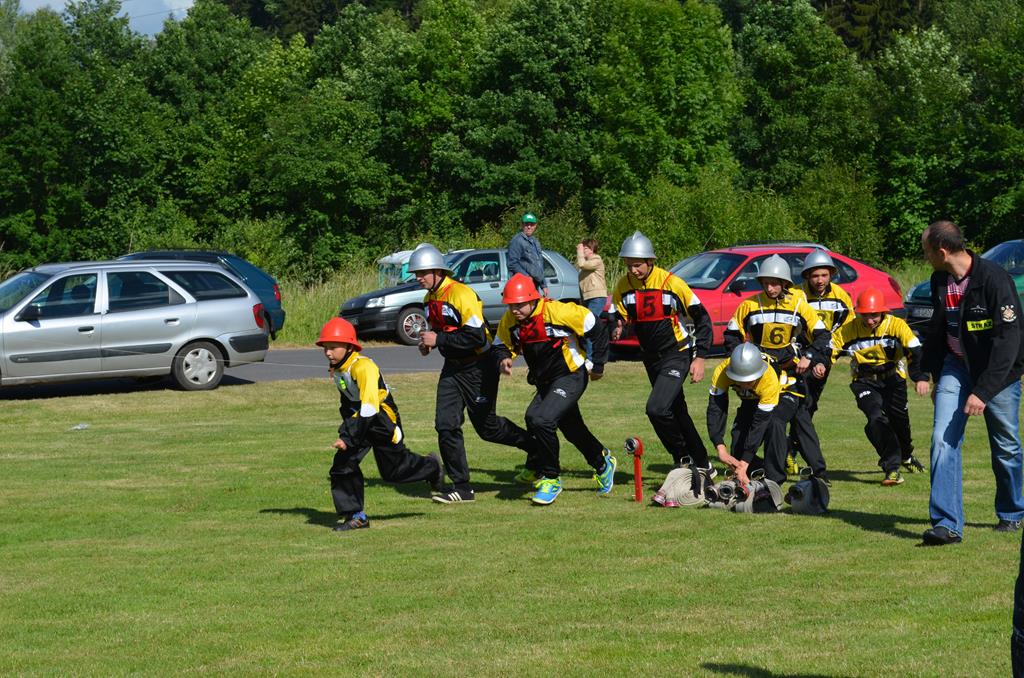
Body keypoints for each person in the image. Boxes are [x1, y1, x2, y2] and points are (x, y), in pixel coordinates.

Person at [919, 220, 1024, 546]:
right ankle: (947, 525)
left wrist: (983, 391)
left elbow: (1009, 342)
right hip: (956, 366)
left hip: (998, 374)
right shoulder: (940, 280)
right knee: (942, 440)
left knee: (1005, 445)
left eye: (926, 252)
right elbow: (937, 330)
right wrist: (929, 373)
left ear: (942, 251)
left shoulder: (994, 279)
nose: (925, 258)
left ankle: (1012, 512)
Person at [410, 243, 538, 505]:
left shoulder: (461, 294)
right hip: (452, 368)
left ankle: (535, 447)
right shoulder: (429, 300)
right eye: (416, 273)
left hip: (480, 366)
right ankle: (462, 487)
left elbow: (477, 336)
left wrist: (439, 340)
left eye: (422, 273)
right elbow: (442, 332)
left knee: (487, 428)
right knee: (445, 425)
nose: (418, 278)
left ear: (437, 271)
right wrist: (428, 343)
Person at [492, 273, 614, 505]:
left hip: (571, 376)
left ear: (533, 299)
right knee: (568, 428)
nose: (514, 310)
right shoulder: (511, 320)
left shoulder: (558, 312)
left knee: (541, 419)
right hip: (545, 381)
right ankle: (602, 462)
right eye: (511, 305)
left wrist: (598, 364)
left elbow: (596, 328)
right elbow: (500, 345)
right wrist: (504, 358)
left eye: (519, 305)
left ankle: (550, 477)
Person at [316, 318, 444, 532]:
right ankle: (356, 516)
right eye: (325, 348)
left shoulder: (363, 367)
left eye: (333, 347)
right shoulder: (338, 368)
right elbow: (349, 405)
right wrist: (347, 435)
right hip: (361, 420)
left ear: (349, 347)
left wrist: (348, 437)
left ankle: (432, 467)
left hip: (382, 420)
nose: (328, 353)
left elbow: (369, 408)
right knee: (342, 465)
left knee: (393, 472)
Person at [611, 231, 713, 477]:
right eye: (628, 265)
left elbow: (702, 318)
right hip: (651, 358)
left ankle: (682, 458)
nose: (633, 270)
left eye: (637, 265)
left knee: (656, 409)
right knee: (677, 411)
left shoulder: (672, 283)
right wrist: (617, 325)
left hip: (677, 353)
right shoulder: (623, 286)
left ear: (650, 261)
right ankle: (703, 464)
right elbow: (617, 315)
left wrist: (700, 358)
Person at [723, 254, 831, 484]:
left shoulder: (799, 305)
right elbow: (731, 336)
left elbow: (823, 335)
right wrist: (742, 359)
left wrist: (809, 357)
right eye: (766, 283)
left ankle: (778, 478)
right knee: (741, 430)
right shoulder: (749, 305)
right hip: (758, 377)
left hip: (789, 378)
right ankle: (752, 469)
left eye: (775, 283)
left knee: (778, 421)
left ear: (785, 283)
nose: (770, 288)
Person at [831, 288, 930, 486]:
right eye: (865, 315)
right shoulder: (849, 329)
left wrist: (921, 377)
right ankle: (892, 468)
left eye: (874, 315)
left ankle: (906, 456)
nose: (869, 321)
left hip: (894, 380)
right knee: (876, 418)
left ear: (883, 312)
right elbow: (829, 350)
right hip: (864, 381)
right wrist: (818, 363)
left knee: (900, 424)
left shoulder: (897, 325)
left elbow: (915, 352)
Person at [791, 249, 855, 472]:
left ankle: (790, 450)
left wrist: (826, 359)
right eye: (815, 275)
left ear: (831, 275)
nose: (820, 280)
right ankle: (788, 452)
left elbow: (845, 331)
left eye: (824, 275)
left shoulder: (841, 296)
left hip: (824, 356)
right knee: (796, 403)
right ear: (807, 276)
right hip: (798, 356)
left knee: (808, 405)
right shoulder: (796, 295)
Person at [707, 342, 784, 490]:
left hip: (780, 395)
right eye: (740, 380)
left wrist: (744, 462)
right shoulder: (722, 372)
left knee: (774, 425)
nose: (744, 385)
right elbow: (715, 409)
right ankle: (758, 470)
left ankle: (775, 482)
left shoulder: (769, 379)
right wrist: (720, 447)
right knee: (738, 449)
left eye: (749, 381)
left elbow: (760, 423)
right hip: (750, 401)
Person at [575, 238, 607, 355]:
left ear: (592, 249)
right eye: (582, 248)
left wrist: (579, 251)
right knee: (586, 327)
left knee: (589, 326)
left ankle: (591, 358)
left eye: (585, 248)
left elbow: (582, 264)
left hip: (596, 297)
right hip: (587, 298)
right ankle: (589, 355)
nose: (582, 250)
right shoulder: (586, 262)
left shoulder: (596, 260)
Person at [507, 212, 547, 297]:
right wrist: (527, 277)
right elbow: (512, 264)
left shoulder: (535, 241)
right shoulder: (517, 241)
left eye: (531, 224)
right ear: (522, 225)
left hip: (534, 285)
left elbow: (539, 265)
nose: (529, 227)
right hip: (522, 285)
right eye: (526, 224)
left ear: (535, 226)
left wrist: (543, 285)